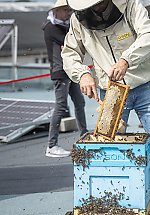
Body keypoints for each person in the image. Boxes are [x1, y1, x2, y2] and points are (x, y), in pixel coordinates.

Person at [62, 0, 150, 213]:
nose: (97, 7)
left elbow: (148, 35)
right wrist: (82, 73)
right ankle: (112, 204)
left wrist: (126, 60)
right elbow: (69, 52)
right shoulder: (78, 19)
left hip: (145, 86)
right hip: (110, 91)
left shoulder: (130, 6)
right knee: (108, 148)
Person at [42, 0, 88, 158]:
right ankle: (51, 145)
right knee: (61, 106)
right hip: (60, 71)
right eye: (66, 10)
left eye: (70, 10)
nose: (69, 12)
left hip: (69, 70)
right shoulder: (51, 27)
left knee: (80, 102)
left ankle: (84, 136)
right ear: (56, 11)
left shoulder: (62, 26)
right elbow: (70, 41)